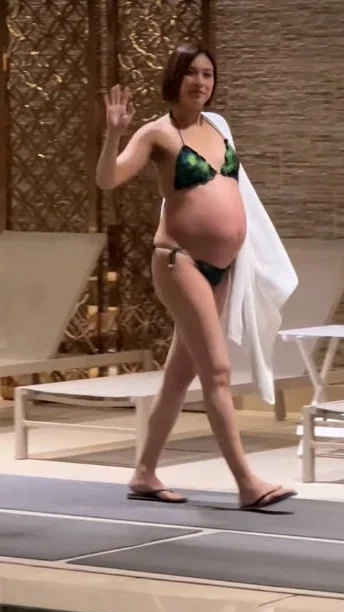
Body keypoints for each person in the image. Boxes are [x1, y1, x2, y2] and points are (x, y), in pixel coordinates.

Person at [95, 43, 297, 510]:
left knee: (178, 377)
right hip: (179, 261)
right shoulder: (157, 134)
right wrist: (113, 135)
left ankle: (144, 472)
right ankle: (247, 482)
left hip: (221, 269)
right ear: (175, 77)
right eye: (192, 73)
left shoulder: (219, 127)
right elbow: (108, 179)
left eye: (208, 74)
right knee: (218, 372)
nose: (201, 82)